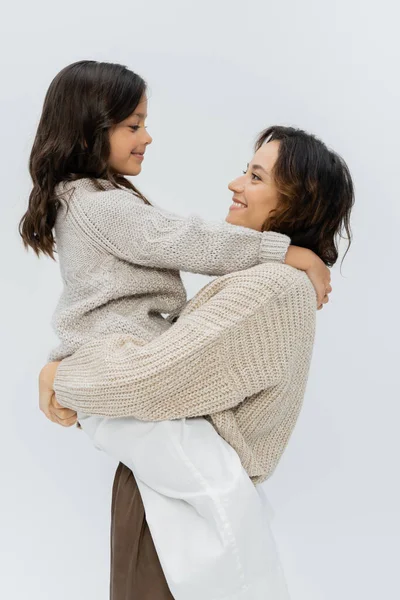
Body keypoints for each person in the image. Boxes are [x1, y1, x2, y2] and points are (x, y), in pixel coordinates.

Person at [21, 60, 351, 598]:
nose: (234, 183)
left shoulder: (272, 288)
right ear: (89, 129)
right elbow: (181, 243)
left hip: (171, 508)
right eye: (133, 125)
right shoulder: (98, 203)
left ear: (300, 199)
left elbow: (150, 380)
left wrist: (62, 376)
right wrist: (64, 374)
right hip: (162, 494)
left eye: (256, 175)